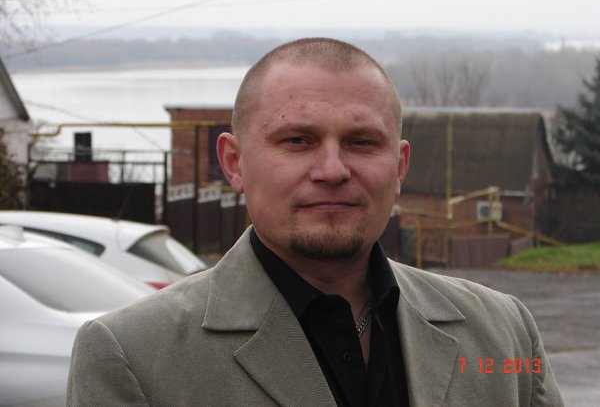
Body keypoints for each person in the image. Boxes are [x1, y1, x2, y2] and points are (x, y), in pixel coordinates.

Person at [67, 38, 564, 406]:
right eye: (297, 141)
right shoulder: (134, 356)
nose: (332, 170)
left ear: (399, 167)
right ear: (234, 163)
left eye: (361, 142)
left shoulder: (503, 331)